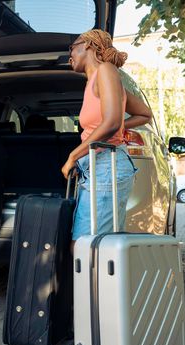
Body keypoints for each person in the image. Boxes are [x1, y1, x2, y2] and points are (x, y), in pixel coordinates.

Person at [61, 29, 153, 251]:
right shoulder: (96, 79)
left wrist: (73, 155)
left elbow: (112, 121)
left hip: (107, 165)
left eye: (71, 47)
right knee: (94, 245)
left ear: (89, 45)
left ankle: (96, 287)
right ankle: (98, 286)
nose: (69, 54)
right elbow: (141, 114)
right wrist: (117, 127)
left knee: (86, 246)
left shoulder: (106, 70)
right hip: (97, 165)